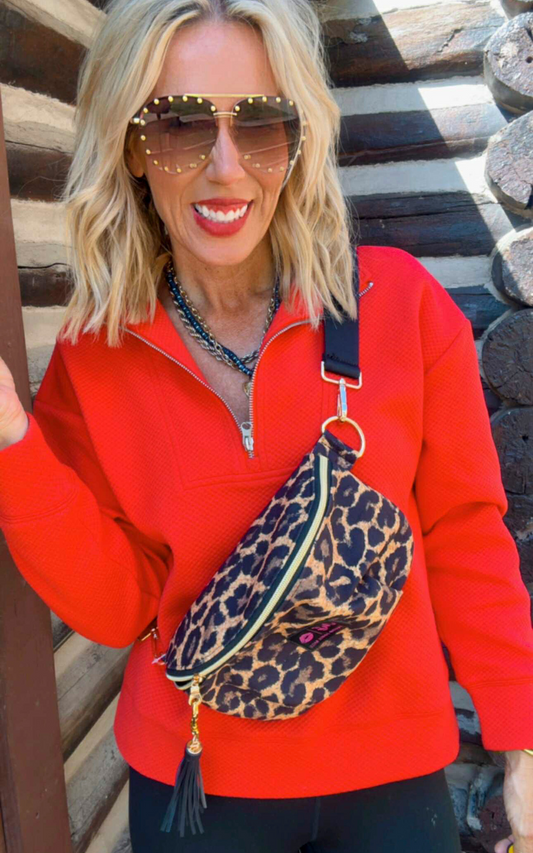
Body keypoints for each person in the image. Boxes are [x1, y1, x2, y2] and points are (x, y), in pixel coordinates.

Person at [0, 0, 532, 850]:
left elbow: (463, 530)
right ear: (130, 146)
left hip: (391, 781)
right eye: (177, 123)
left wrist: (519, 736)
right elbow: (120, 606)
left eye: (259, 124)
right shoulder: (94, 359)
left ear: (300, 135)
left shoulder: (398, 306)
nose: (224, 168)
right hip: (197, 787)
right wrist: (12, 448)